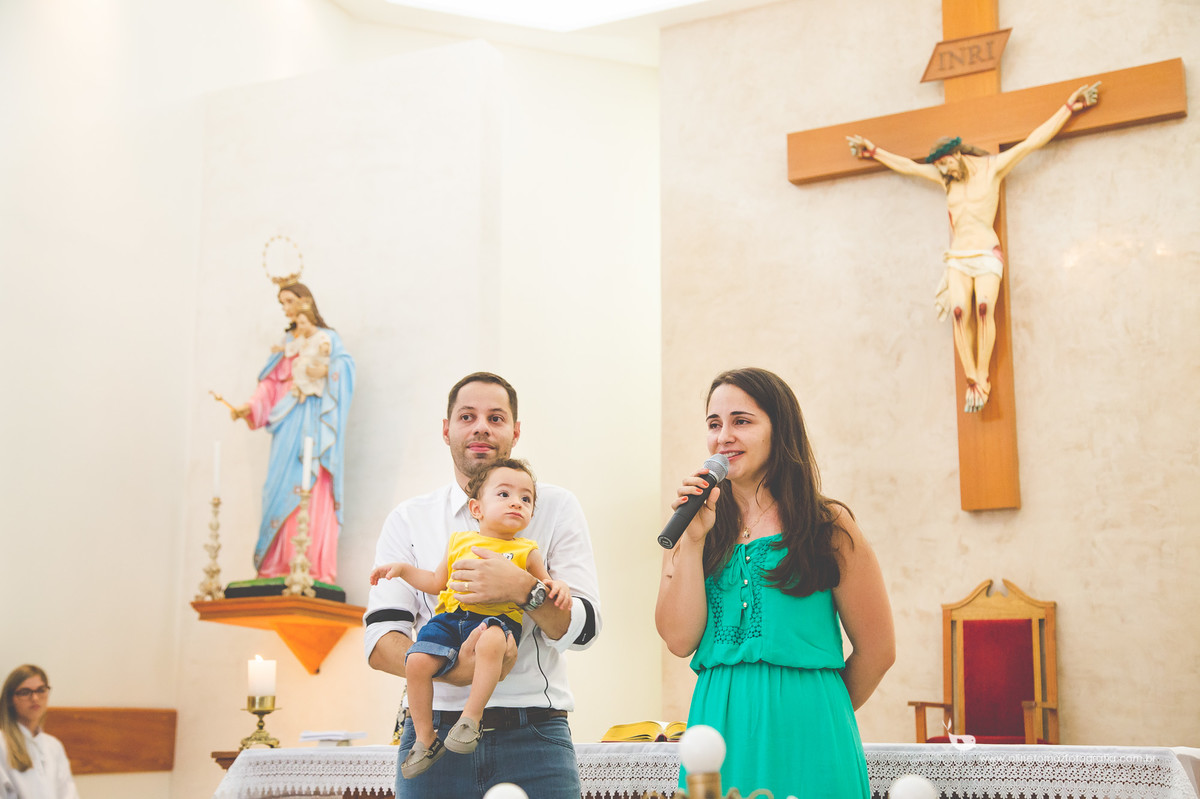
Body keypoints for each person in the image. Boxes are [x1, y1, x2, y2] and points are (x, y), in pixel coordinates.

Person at [655, 367, 895, 798]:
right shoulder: (694, 526)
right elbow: (677, 639)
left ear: (779, 430)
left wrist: (821, 711)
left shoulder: (827, 526)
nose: (724, 436)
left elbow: (878, 650)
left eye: (741, 421)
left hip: (811, 738)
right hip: (717, 739)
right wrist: (692, 543)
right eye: (714, 424)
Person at [364, 372, 602, 798]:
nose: (481, 428)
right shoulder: (410, 518)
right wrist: (456, 672)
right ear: (446, 429)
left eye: (495, 418)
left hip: (534, 732)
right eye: (467, 416)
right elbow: (381, 642)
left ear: (515, 431)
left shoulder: (555, 507)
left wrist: (523, 590)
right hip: (434, 733)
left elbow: (585, 631)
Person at [847, 83, 1100, 412]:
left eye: (945, 165)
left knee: (982, 308)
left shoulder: (992, 168)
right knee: (958, 312)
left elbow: (1033, 142)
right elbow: (909, 166)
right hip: (958, 257)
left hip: (985, 252)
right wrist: (873, 151)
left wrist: (1068, 108)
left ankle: (983, 375)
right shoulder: (946, 180)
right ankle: (974, 379)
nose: (943, 172)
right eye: (939, 169)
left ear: (957, 154)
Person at [370, 459, 572, 778]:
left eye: (526, 499)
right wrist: (404, 570)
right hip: (451, 618)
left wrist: (559, 586)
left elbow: (544, 585)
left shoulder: (526, 550)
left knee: (492, 642)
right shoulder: (459, 541)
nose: (516, 502)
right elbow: (435, 582)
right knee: (416, 660)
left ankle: (471, 718)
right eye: (504, 494)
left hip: (497, 620)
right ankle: (424, 738)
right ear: (477, 508)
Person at [231, 282, 355, 583]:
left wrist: (324, 372)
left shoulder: (327, 338)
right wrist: (251, 406)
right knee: (277, 487)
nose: (285, 308)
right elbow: (270, 384)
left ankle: (311, 566)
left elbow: (344, 368)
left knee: (311, 486)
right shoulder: (287, 343)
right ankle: (276, 564)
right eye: (282, 303)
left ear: (304, 301)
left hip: (314, 421)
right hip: (286, 422)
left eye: (289, 301)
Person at [1, 665, 80, 799]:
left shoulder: (54, 746)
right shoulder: (2, 745)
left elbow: (68, 794)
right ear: (9, 699)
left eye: (41, 690)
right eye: (25, 692)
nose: (35, 698)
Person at [287, 304, 332, 401]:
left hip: (315, 363)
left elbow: (325, 344)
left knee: (302, 365)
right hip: (305, 363)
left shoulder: (320, 335)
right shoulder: (303, 337)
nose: (300, 326)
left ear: (311, 321)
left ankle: (306, 390)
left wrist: (324, 348)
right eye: (298, 323)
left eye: (303, 323)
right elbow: (293, 346)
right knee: (296, 363)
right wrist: (281, 348)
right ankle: (299, 387)